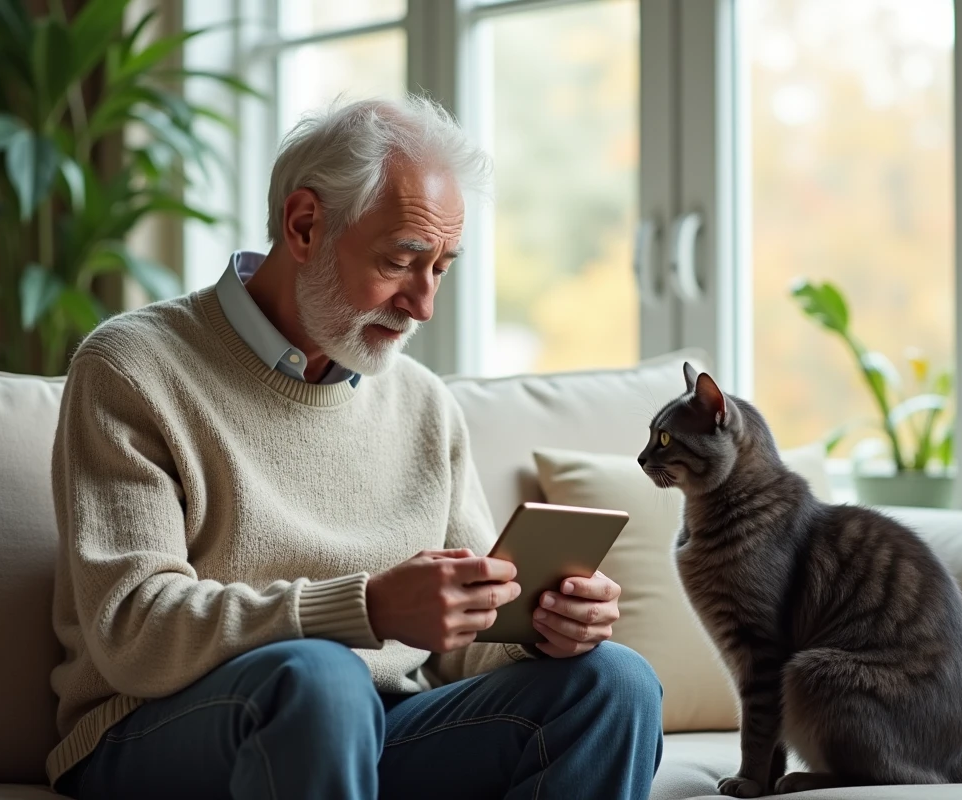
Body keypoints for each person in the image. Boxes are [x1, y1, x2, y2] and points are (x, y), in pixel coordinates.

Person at [46, 96, 663, 800]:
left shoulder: (424, 403)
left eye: (441, 268)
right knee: (320, 678)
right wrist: (366, 609)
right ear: (305, 225)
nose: (422, 304)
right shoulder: (133, 367)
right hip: (156, 728)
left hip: (373, 724)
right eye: (402, 260)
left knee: (613, 682)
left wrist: (544, 627)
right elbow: (133, 631)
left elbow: (464, 644)